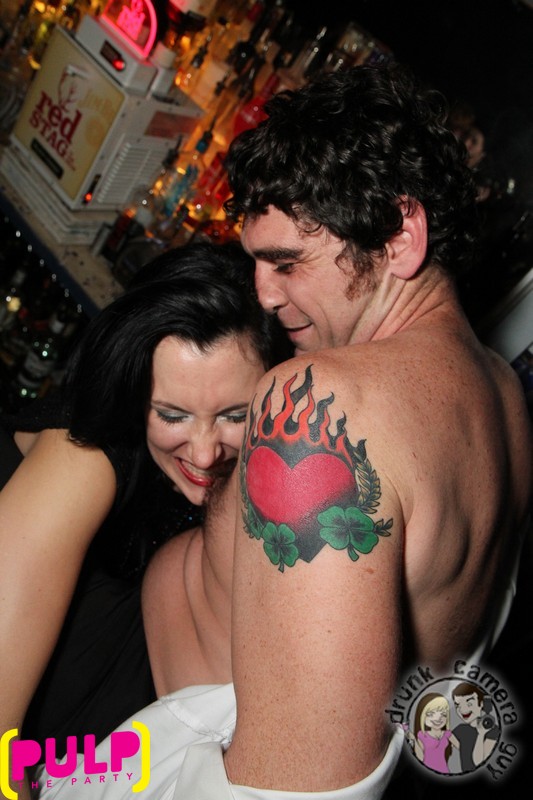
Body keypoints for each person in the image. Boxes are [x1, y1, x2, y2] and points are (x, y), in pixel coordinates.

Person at [36, 62, 531, 800]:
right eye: (256, 263)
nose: (263, 295)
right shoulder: (503, 394)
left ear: (400, 237)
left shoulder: (325, 400)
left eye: (287, 263)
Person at [0, 241, 289, 800]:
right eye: (172, 415)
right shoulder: (84, 461)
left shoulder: (242, 498)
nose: (204, 452)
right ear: (134, 395)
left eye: (235, 415)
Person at [405, 693, 459, 774]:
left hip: (444, 770)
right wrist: (414, 740)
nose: (438, 718)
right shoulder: (422, 735)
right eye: (431, 714)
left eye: (443, 714)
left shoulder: (447, 734)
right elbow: (421, 757)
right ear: (422, 716)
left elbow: (462, 747)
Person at [451, 682, 500, 772]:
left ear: (481, 704)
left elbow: (479, 763)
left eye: (469, 704)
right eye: (458, 705)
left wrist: (481, 734)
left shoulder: (492, 730)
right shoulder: (460, 729)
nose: (462, 709)